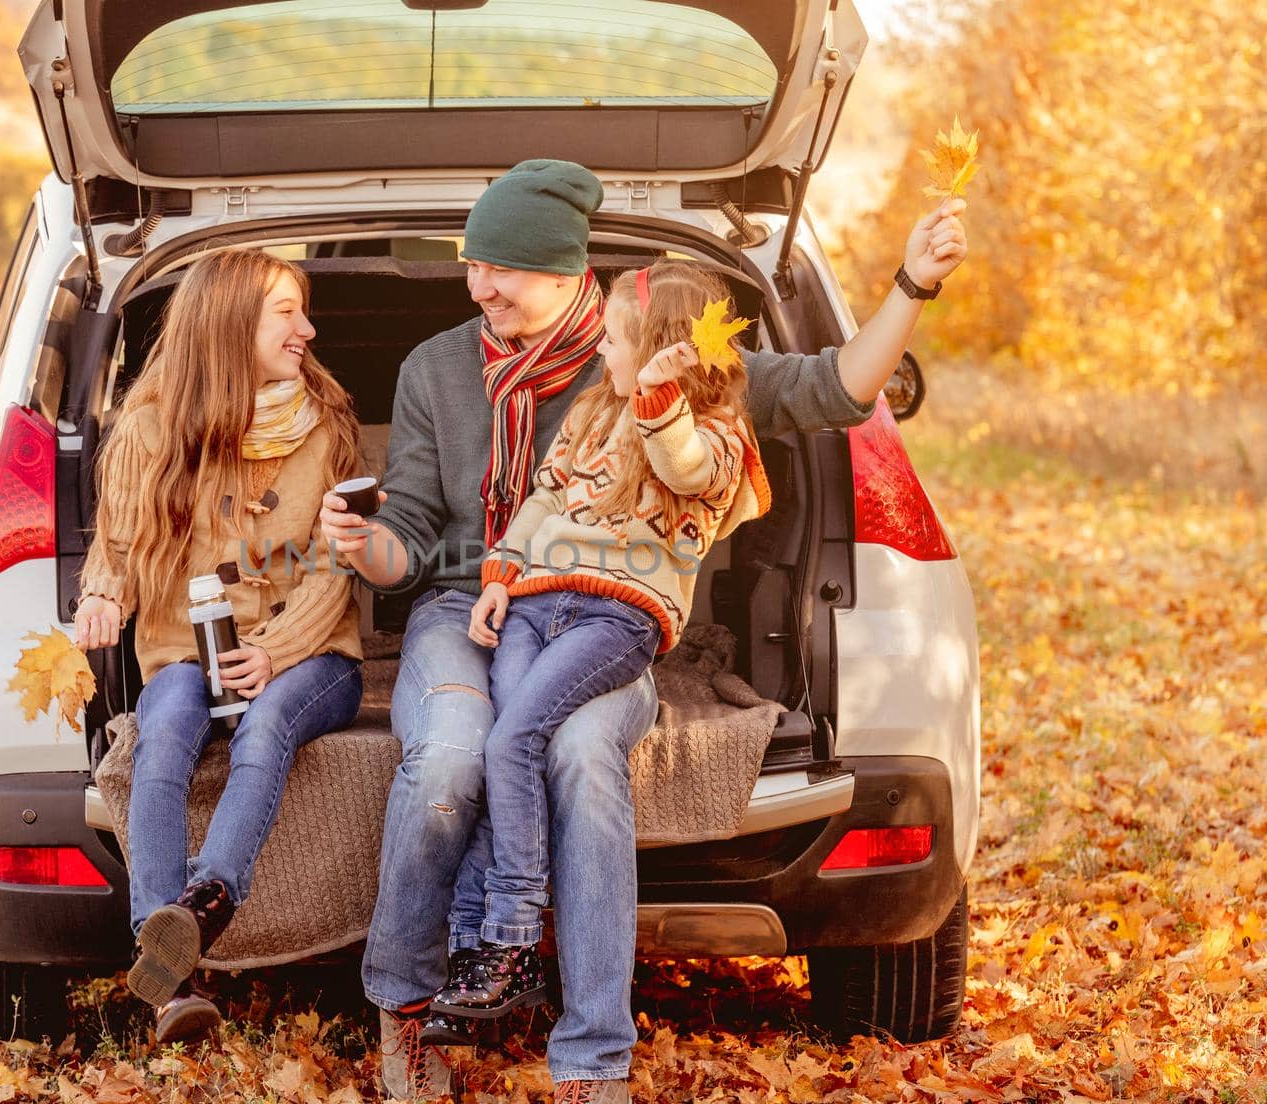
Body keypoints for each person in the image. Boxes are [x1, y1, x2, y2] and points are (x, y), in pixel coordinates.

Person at [320, 159, 967, 1103]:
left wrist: (912, 284)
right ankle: (409, 1009)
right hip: (470, 606)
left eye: (500, 267)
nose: (477, 285)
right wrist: (364, 546)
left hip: (604, 615)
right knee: (452, 756)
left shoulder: (652, 348)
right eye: (472, 262)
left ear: (563, 270)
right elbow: (412, 539)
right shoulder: (438, 368)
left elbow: (834, 386)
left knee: (584, 755)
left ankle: (592, 1060)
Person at [427, 262, 770, 1021]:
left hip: (616, 618)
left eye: (615, 340)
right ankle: (482, 945)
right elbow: (543, 498)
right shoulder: (590, 409)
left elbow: (681, 466)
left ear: (658, 348)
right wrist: (499, 574)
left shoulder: (715, 437)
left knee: (516, 739)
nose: (601, 354)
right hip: (534, 606)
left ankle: (508, 937)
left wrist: (657, 395)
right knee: (498, 745)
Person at [75, 247, 365, 1045]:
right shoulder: (151, 424)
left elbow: (336, 567)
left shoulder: (325, 425)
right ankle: (171, 977)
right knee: (160, 738)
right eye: (288, 312)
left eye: (304, 313)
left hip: (312, 661)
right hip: (184, 652)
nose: (307, 329)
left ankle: (209, 899)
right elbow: (122, 539)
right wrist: (104, 594)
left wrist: (275, 650)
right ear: (233, 321)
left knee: (267, 727)